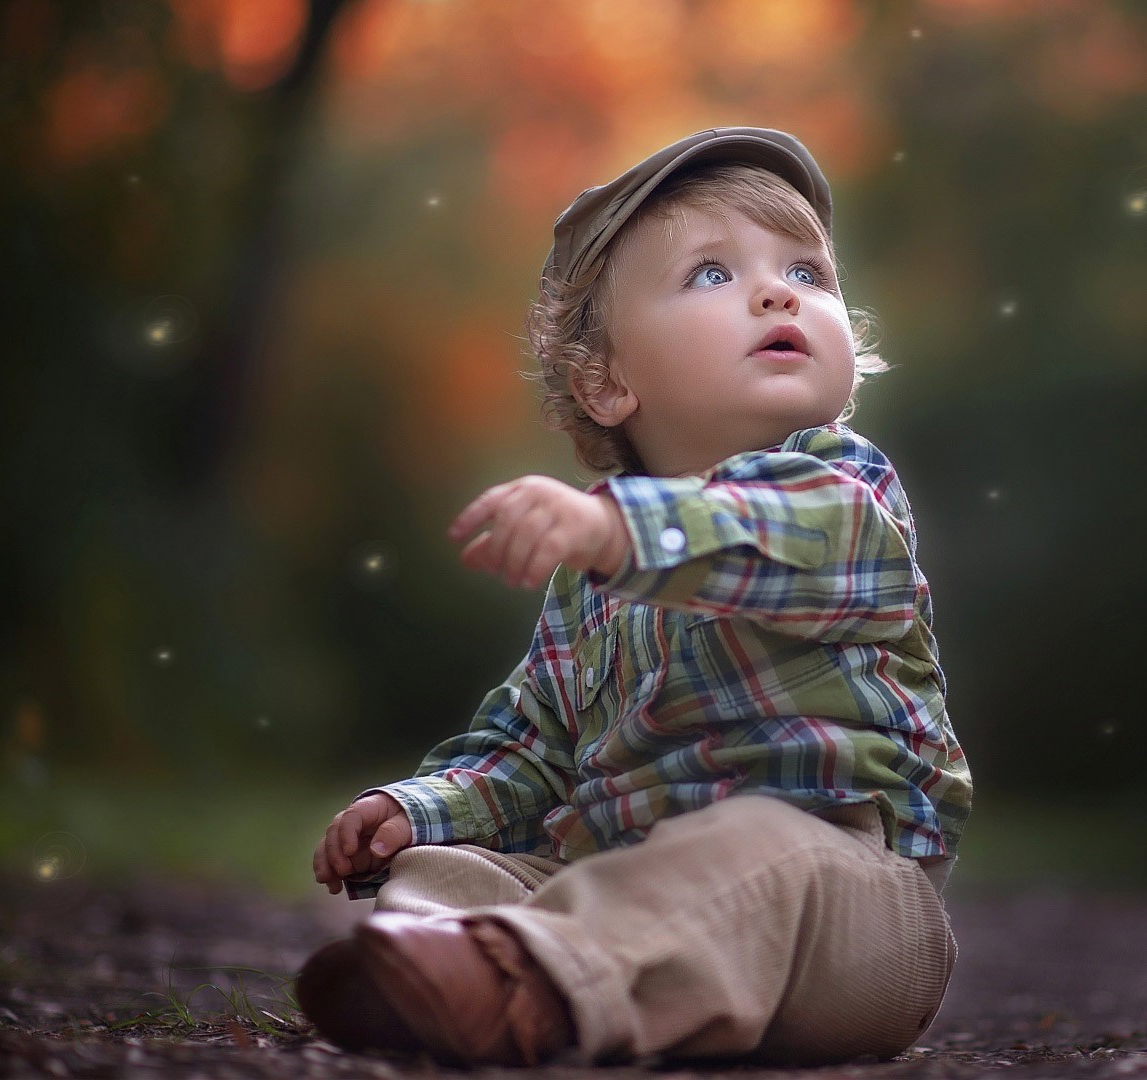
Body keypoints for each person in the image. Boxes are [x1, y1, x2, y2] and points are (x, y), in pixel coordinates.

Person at [296, 126, 973, 1069]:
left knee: (754, 847)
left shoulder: (843, 489)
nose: (780, 292)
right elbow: (533, 751)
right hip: (631, 892)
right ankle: (439, 967)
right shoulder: (590, 587)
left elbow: (786, 541)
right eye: (710, 274)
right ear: (606, 381)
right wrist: (421, 809)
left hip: (847, 909)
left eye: (809, 274)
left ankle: (526, 980)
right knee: (452, 871)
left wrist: (618, 532)